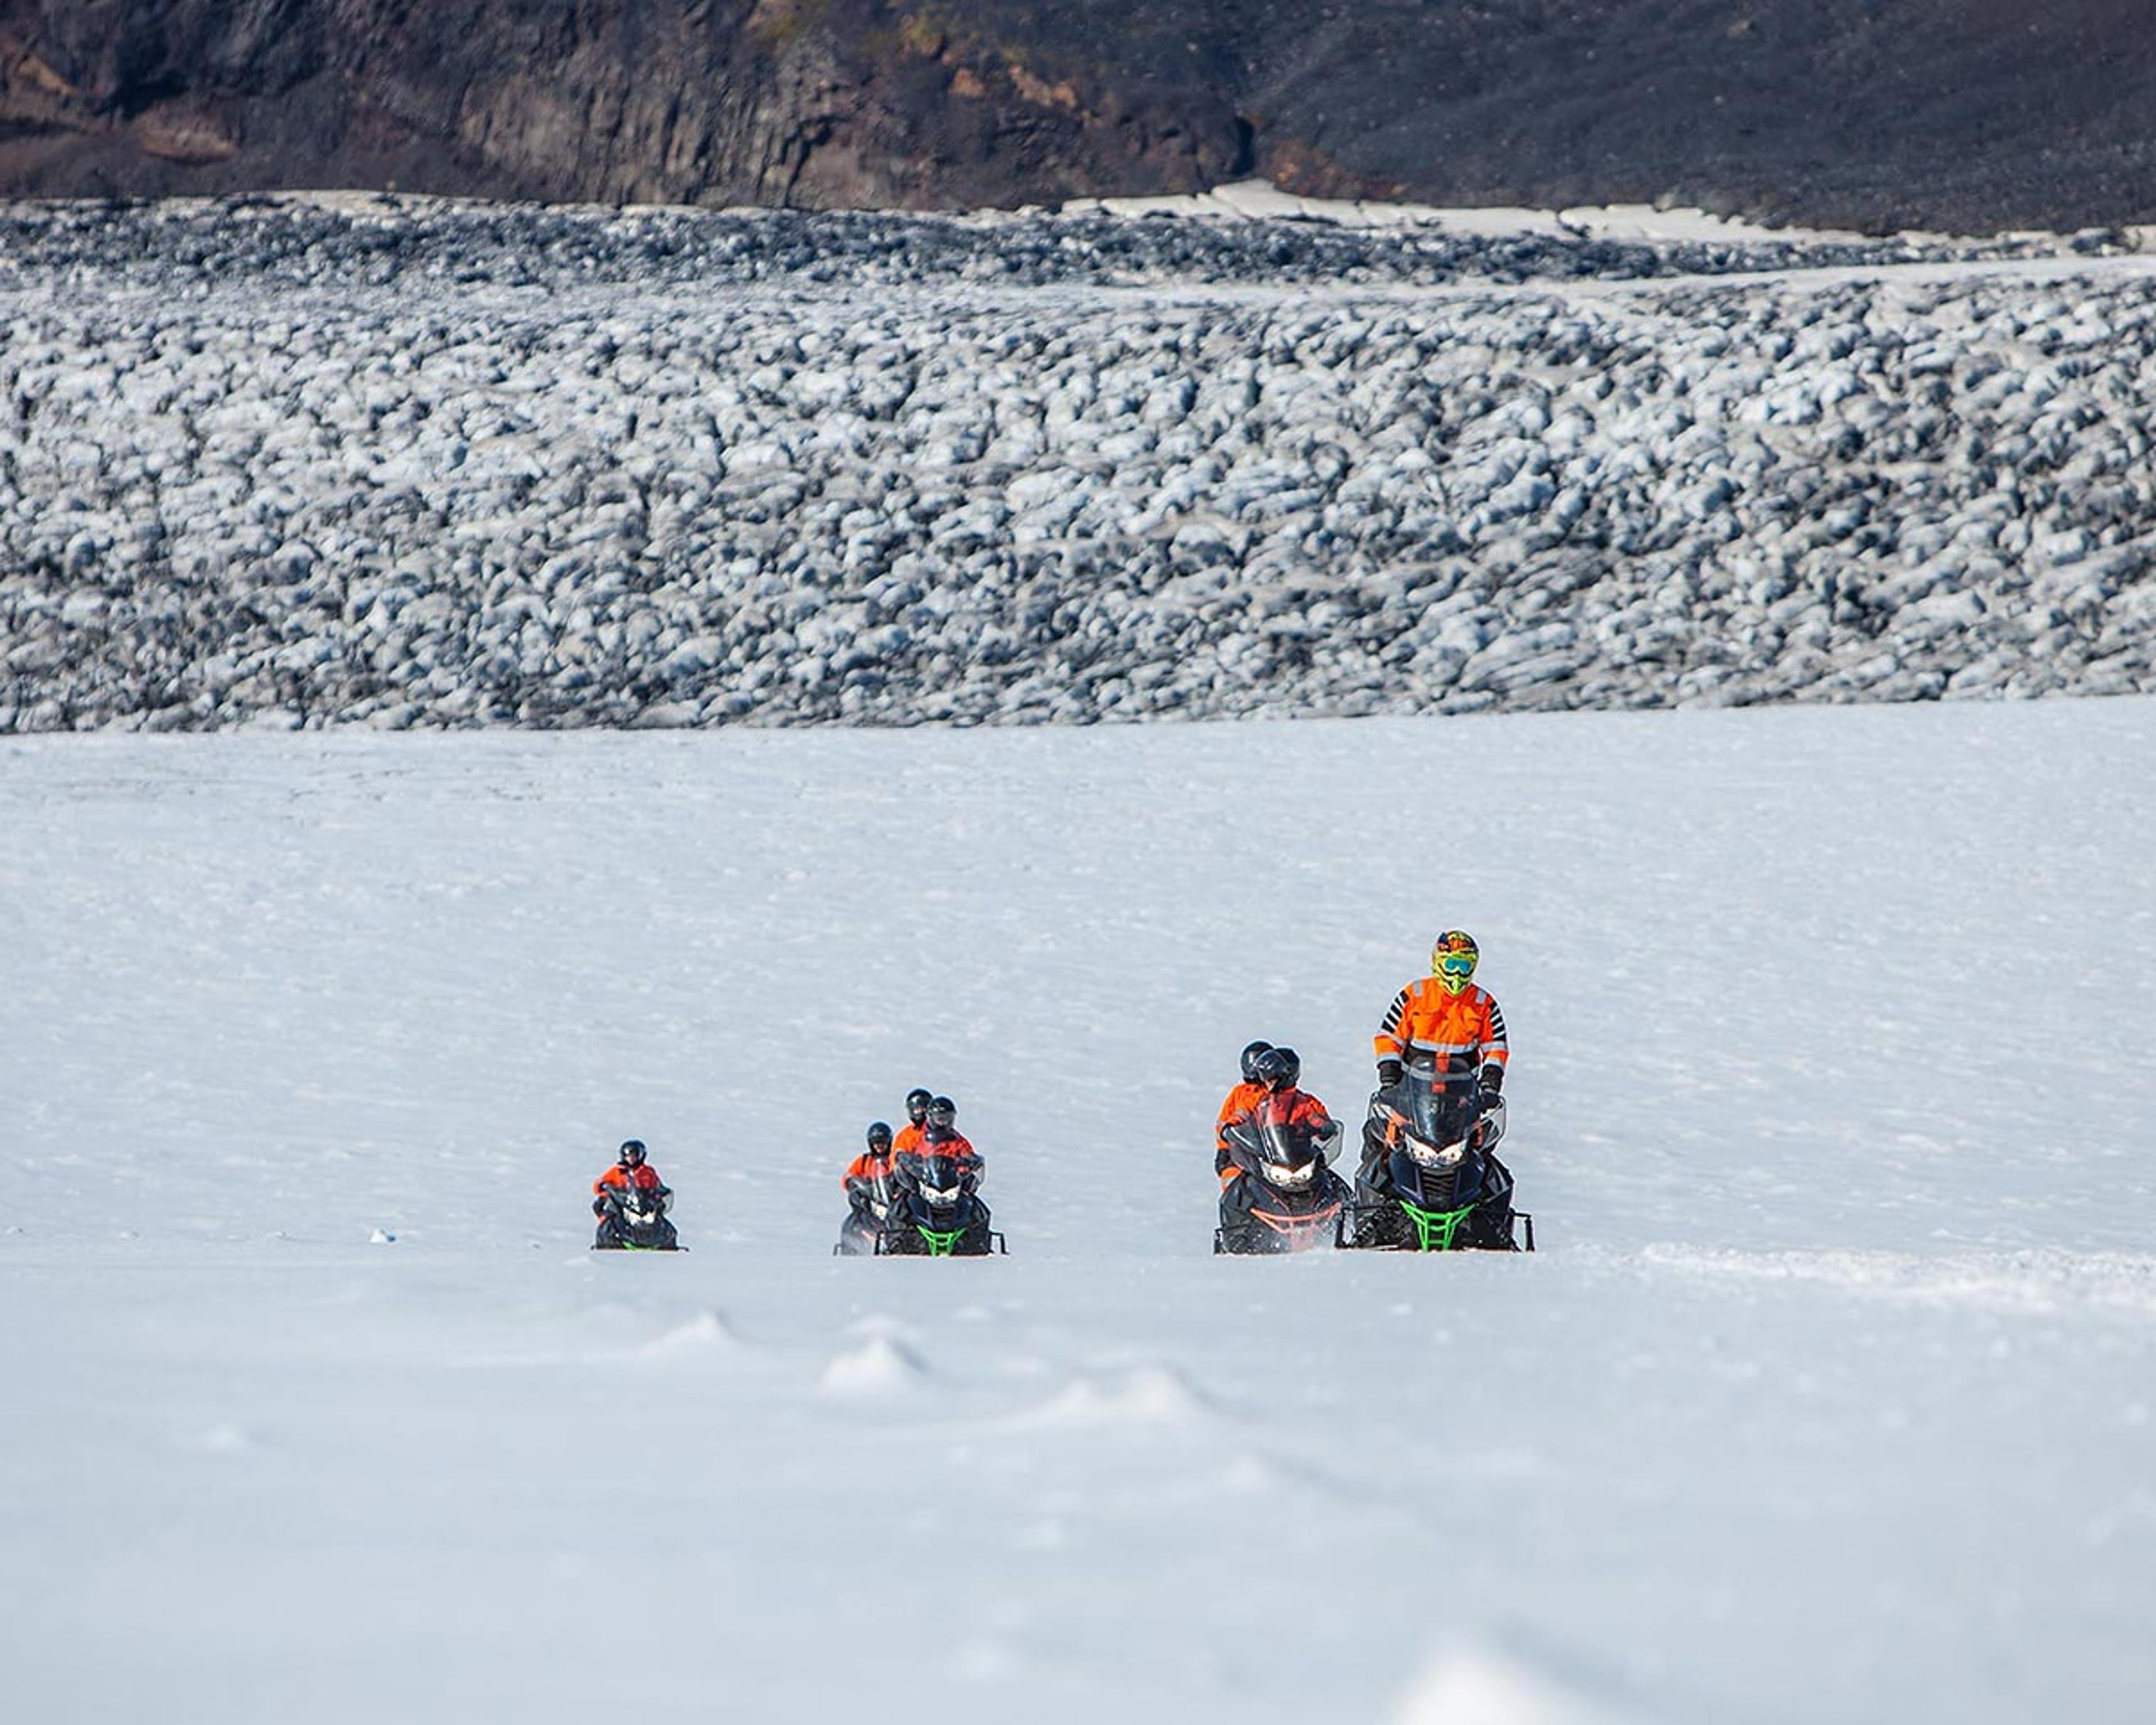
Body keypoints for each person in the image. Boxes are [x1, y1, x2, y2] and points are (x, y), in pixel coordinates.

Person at [1372, 930, 1509, 1102]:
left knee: (1483, 1128)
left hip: (1462, 1098)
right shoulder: (1415, 994)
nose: (1457, 973)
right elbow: (1388, 1037)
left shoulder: (1484, 1003)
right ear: (1438, 962)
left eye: (1464, 966)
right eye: (1452, 965)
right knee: (1384, 1126)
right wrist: (1389, 1078)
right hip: (1411, 1094)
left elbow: (1496, 1047)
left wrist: (1490, 1085)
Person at [592, 1138, 676, 1249]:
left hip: (644, 1204)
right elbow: (600, 1183)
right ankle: (606, 1243)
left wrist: (660, 1194)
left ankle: (666, 1244)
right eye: (628, 1156)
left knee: (667, 1227)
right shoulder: (617, 1171)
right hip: (624, 1204)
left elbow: (657, 1185)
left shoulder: (648, 1171)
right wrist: (603, 1186)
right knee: (607, 1221)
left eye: (634, 1156)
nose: (631, 1159)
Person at [1214, 1040, 1275, 1175]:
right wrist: (1226, 1145)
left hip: (1276, 1154)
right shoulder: (1241, 1093)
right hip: (1242, 1153)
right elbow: (1224, 1122)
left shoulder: (1281, 1094)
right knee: (1234, 1182)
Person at [892, 1087, 935, 1155]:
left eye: (922, 1109)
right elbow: (896, 1157)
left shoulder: (944, 1133)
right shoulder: (906, 1136)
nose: (919, 1113)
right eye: (916, 1110)